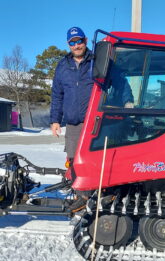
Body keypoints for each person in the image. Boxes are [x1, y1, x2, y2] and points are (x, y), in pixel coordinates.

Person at [50, 26, 94, 212]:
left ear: (85, 41)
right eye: (72, 42)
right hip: (73, 123)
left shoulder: (96, 61)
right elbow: (57, 95)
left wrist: (128, 101)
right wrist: (55, 120)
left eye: (79, 41)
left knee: (94, 158)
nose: (77, 45)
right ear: (68, 44)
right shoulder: (62, 66)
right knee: (74, 159)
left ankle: (96, 194)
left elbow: (118, 81)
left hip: (94, 121)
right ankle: (81, 196)